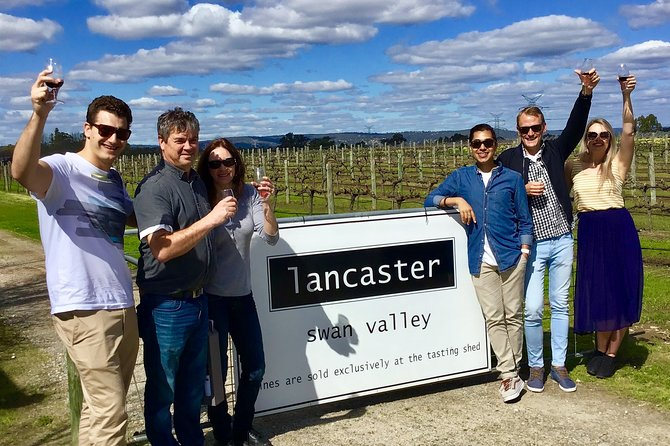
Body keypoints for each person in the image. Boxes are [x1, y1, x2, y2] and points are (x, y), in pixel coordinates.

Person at [11, 69, 138, 445]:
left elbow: (137, 217)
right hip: (83, 306)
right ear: (88, 129)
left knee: (99, 408)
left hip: (121, 302)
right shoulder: (61, 169)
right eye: (106, 130)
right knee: (112, 413)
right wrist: (40, 113)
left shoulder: (114, 180)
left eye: (122, 133)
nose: (113, 139)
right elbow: (21, 171)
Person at [133, 108, 236, 445]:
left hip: (197, 301)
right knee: (163, 389)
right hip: (167, 305)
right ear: (161, 142)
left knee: (192, 390)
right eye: (180, 140)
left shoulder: (194, 182)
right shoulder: (155, 188)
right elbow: (161, 249)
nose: (188, 146)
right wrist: (212, 219)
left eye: (193, 140)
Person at [497, 68, 600, 393]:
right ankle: (536, 366)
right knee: (531, 309)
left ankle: (558, 365)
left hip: (562, 240)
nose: (530, 133)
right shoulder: (508, 160)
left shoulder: (555, 150)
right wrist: (521, 189)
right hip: (532, 245)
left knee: (559, 304)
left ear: (543, 128)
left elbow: (576, 126)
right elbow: (496, 193)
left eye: (535, 127)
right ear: (518, 131)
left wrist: (586, 92)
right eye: (524, 129)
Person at [425, 124, 533, 403]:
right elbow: (429, 199)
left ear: (495, 145)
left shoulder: (512, 179)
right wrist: (455, 200)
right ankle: (509, 373)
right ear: (470, 146)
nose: (482, 148)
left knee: (514, 314)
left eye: (487, 143)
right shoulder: (461, 178)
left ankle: (514, 370)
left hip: (511, 256)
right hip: (481, 259)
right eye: (476, 143)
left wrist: (524, 250)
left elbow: (524, 218)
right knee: (494, 317)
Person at [195, 138, 279, 446]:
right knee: (216, 376)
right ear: (207, 167)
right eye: (214, 163)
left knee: (255, 368)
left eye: (227, 161)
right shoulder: (199, 198)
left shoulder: (249, 195)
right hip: (211, 299)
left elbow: (270, 237)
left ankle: (241, 428)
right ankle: (222, 432)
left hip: (243, 297)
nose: (222, 168)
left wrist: (267, 205)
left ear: (236, 164)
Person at [565, 75, 642, 379]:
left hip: (617, 230)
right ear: (586, 139)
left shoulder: (618, 163)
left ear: (610, 139)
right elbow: (559, 192)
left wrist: (626, 96)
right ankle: (599, 348)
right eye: (592, 135)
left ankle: (611, 353)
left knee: (619, 289)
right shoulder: (573, 166)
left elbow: (629, 131)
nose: (598, 139)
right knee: (598, 290)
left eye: (603, 135)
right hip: (590, 232)